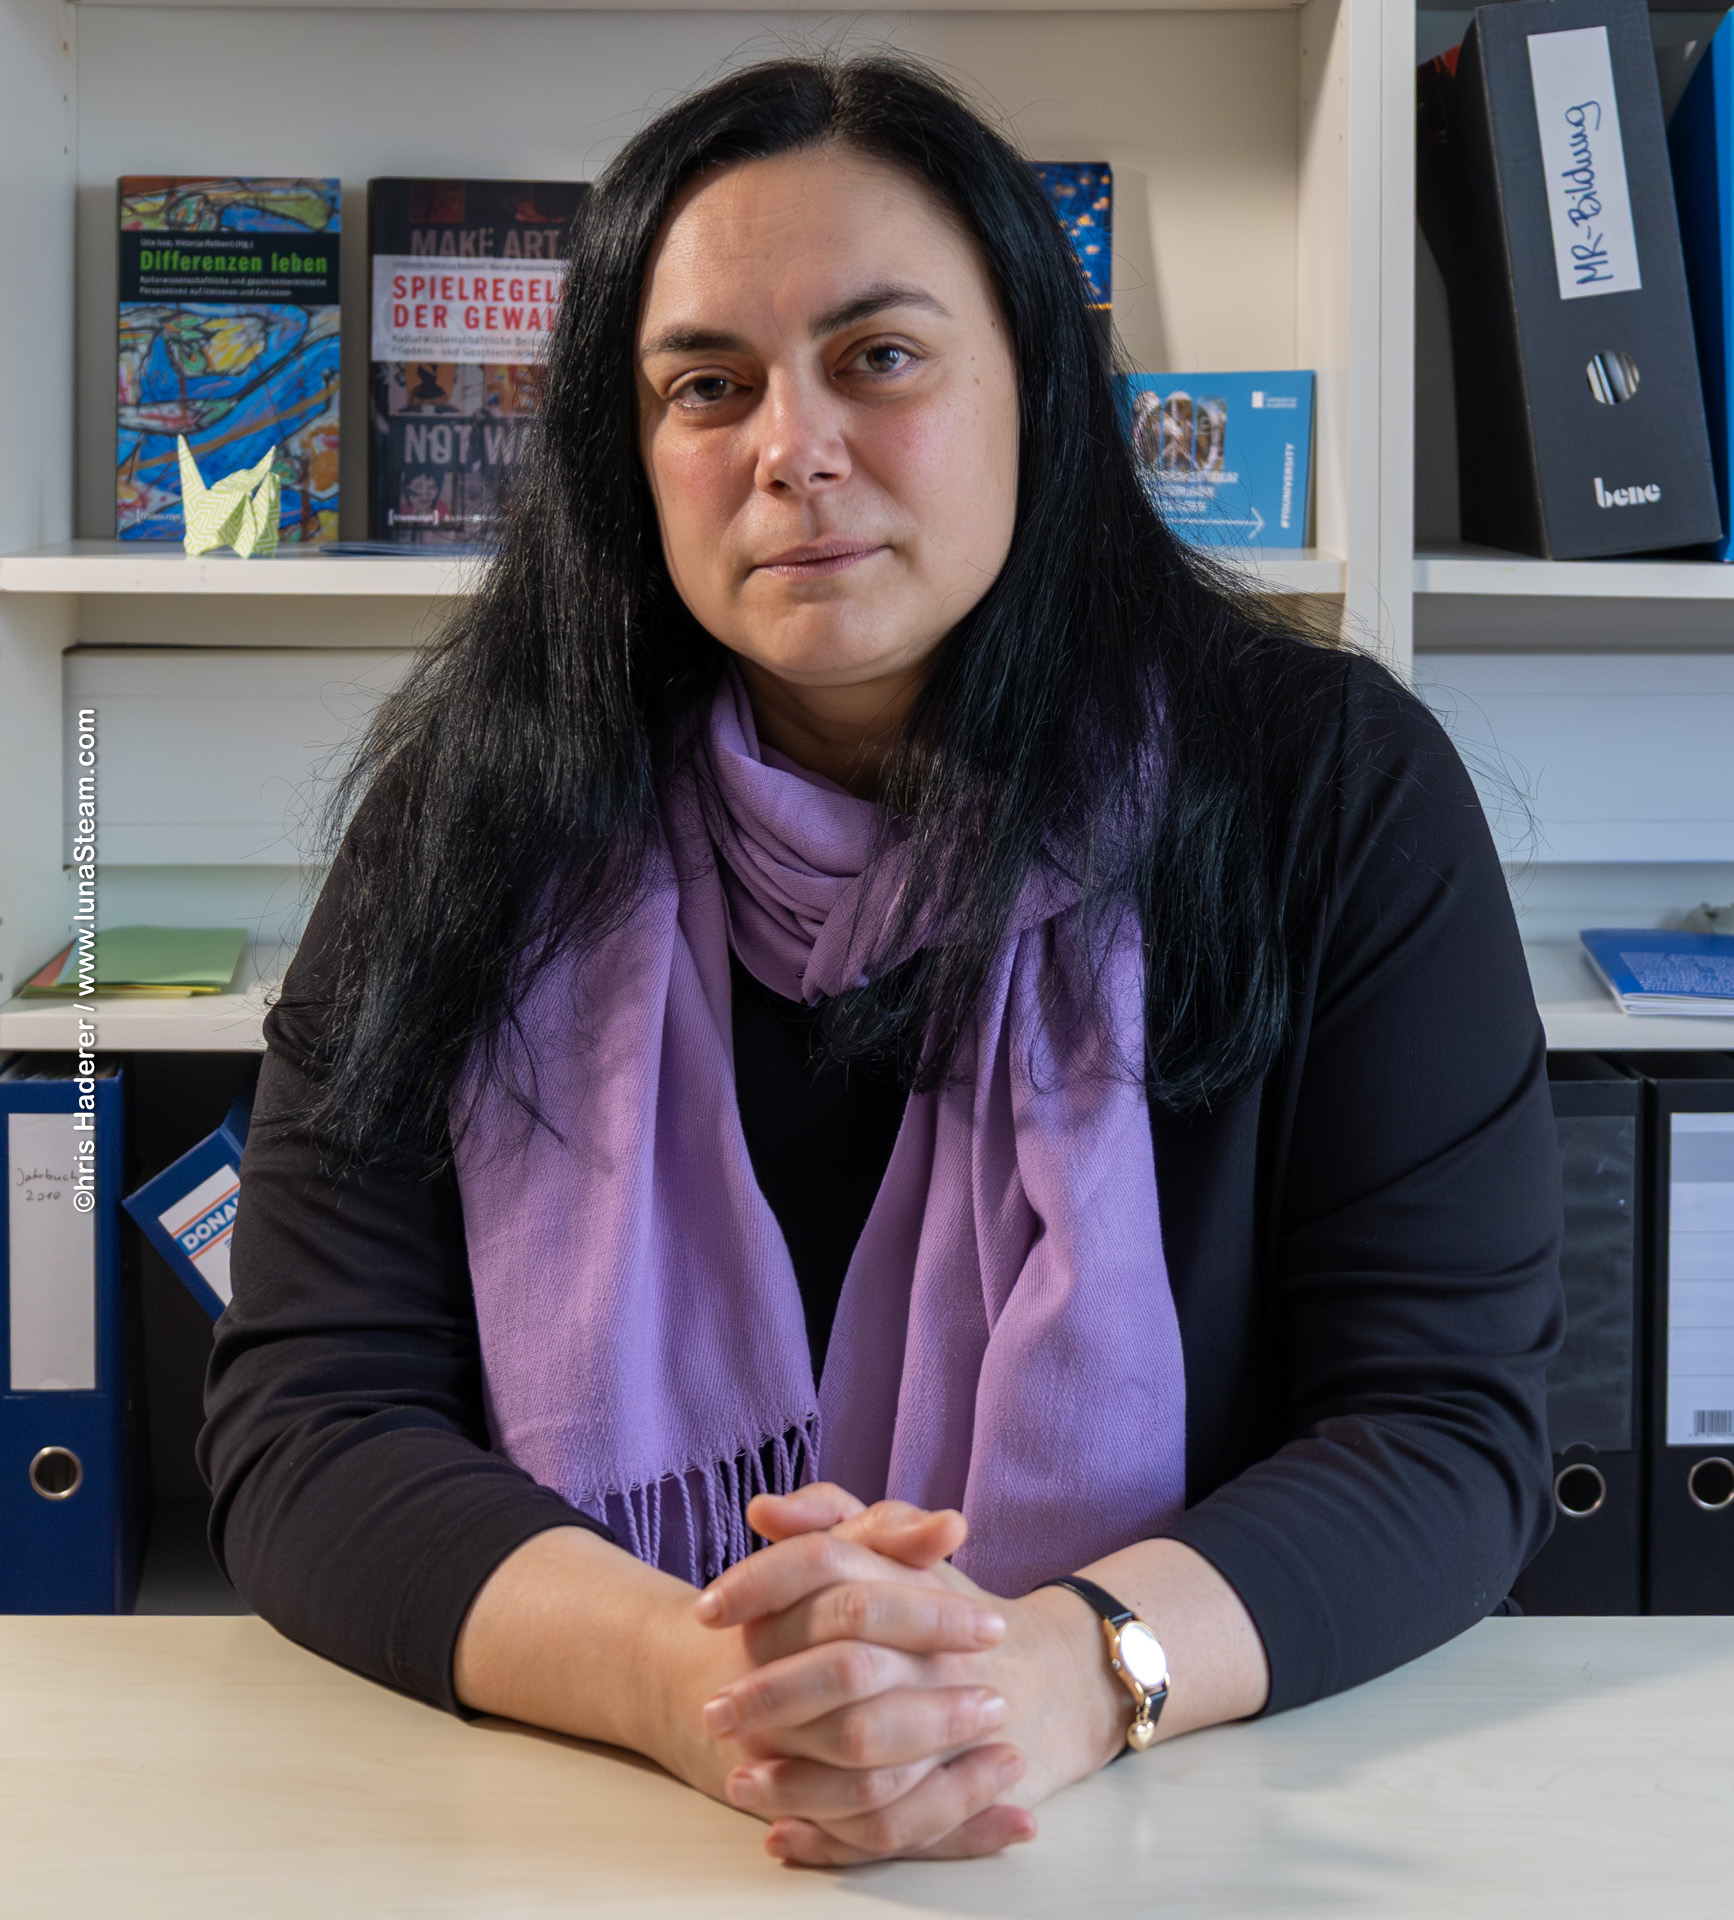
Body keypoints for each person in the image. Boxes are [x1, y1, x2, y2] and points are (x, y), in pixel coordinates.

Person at [200, 55, 1563, 1868]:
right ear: (630, 452)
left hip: (1183, 1826)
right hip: (608, 1837)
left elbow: (1441, 1425)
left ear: (1037, 392)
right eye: (707, 385)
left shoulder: (1326, 789)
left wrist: (1054, 1676)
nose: (793, 448)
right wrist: (699, 1687)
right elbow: (310, 1419)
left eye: (880, 356)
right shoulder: (472, 818)